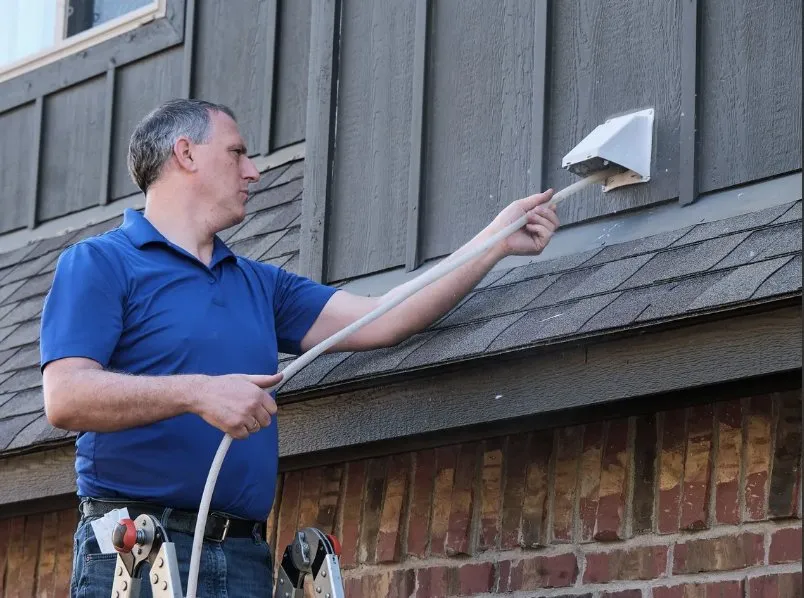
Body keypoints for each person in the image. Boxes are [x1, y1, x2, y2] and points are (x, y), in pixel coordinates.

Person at [40, 98, 559, 597]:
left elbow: (385, 317)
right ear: (186, 153)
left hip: (243, 555)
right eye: (237, 153)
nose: (253, 172)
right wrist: (198, 393)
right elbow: (65, 396)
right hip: (138, 554)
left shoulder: (260, 286)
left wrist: (497, 239)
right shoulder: (101, 263)